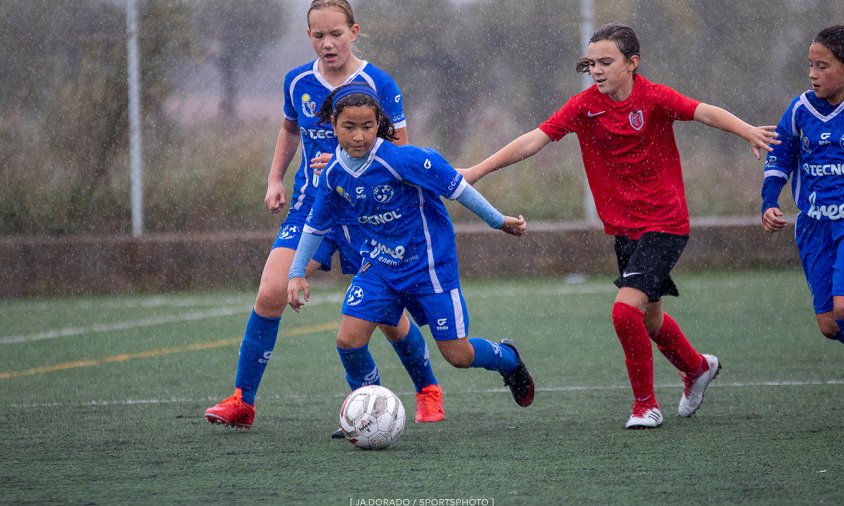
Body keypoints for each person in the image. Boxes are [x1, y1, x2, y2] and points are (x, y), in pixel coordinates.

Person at [460, 23, 780, 429]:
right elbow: (533, 140)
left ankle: (645, 405)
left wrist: (747, 130)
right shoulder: (583, 106)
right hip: (626, 230)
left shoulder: (655, 98)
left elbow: (704, 112)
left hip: (665, 223)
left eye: (606, 62)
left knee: (624, 313)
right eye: (591, 62)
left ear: (632, 64)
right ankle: (697, 368)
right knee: (650, 319)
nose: (596, 69)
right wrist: (477, 170)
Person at [205, 0, 445, 433]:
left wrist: (343, 160)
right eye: (319, 36)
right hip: (313, 208)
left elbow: (402, 152)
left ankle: (428, 389)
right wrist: (275, 179)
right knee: (271, 292)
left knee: (390, 320)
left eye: (336, 34)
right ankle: (243, 401)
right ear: (308, 36)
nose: (328, 43)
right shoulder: (297, 81)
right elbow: (290, 129)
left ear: (355, 32)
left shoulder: (378, 82)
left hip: (369, 213)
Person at [287, 83, 536, 411]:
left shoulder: (404, 159)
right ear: (333, 126)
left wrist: (498, 221)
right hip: (379, 266)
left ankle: (508, 358)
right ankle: (366, 409)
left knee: (457, 356)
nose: (359, 136)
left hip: (428, 267)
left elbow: (458, 188)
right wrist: (296, 273)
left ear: (379, 124)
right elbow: (315, 225)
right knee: (348, 341)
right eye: (349, 127)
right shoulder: (334, 173)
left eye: (367, 127)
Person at [762, 25, 844, 344]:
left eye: (823, 66)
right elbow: (778, 159)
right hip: (813, 227)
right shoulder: (800, 110)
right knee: (829, 325)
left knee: (842, 307)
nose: (813, 74)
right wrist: (769, 202)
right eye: (811, 65)